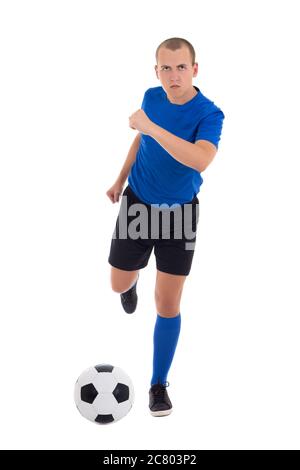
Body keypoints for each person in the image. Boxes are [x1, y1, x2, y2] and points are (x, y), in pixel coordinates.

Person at [106, 37, 225, 417]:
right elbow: (141, 140)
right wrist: (119, 178)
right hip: (138, 204)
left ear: (195, 69)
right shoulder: (152, 97)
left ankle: (158, 383)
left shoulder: (209, 114)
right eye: (165, 68)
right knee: (118, 284)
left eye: (180, 67)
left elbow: (200, 160)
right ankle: (132, 281)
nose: (173, 76)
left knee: (168, 304)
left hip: (179, 215)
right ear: (156, 71)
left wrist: (152, 128)